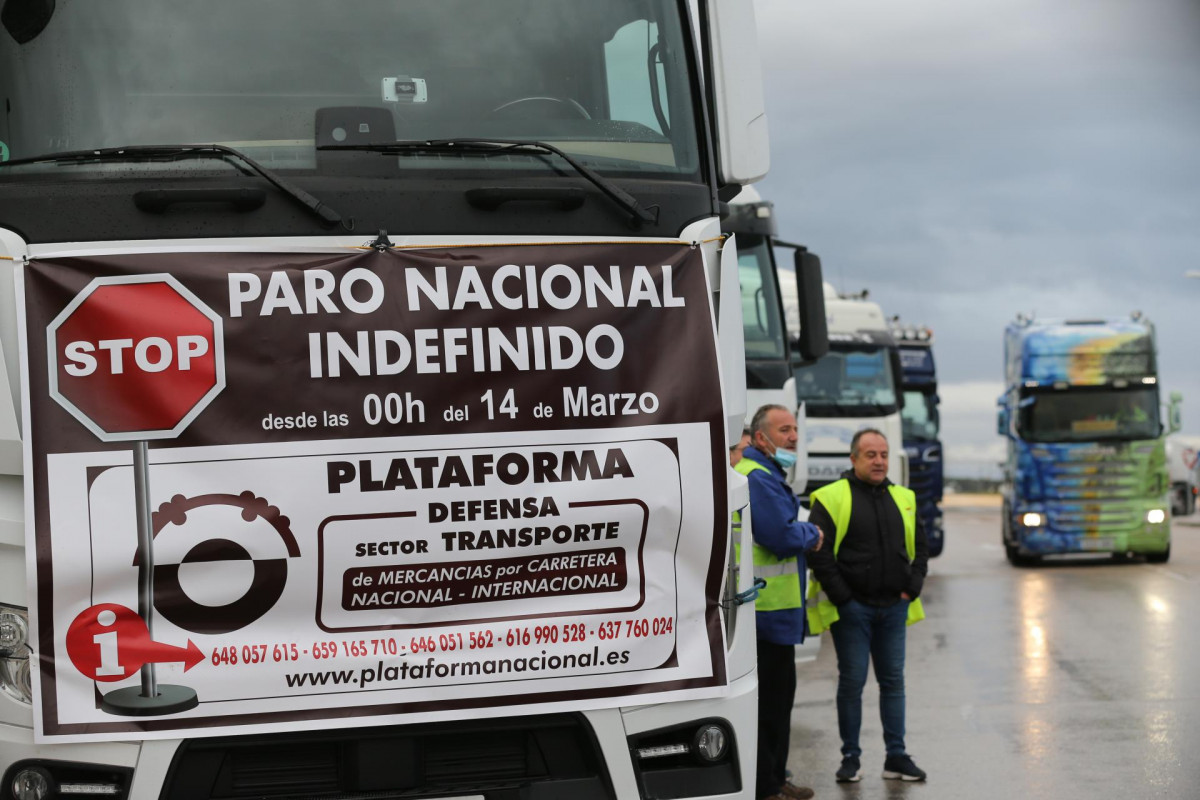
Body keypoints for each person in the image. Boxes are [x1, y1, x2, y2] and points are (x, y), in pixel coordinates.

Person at [806, 428, 929, 783]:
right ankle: (851, 759)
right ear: (854, 459)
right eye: (871, 455)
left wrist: (912, 588)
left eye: (884, 455)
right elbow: (820, 554)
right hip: (853, 611)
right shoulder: (830, 497)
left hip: (894, 607)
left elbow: (919, 549)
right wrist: (844, 598)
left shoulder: (904, 497)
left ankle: (896, 757)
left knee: (893, 683)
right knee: (852, 683)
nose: (879, 461)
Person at [735, 404, 825, 800]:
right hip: (764, 614)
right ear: (760, 438)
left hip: (774, 613)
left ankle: (775, 777)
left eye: (795, 430)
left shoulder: (767, 474)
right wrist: (811, 533)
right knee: (769, 707)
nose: (793, 437)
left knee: (778, 704)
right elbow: (780, 535)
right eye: (784, 430)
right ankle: (766, 786)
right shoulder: (757, 477)